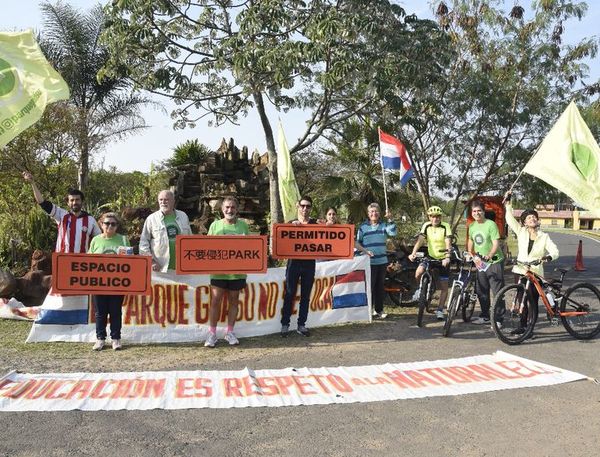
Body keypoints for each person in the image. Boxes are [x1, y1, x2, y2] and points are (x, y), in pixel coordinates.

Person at [504, 192, 559, 333]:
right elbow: (509, 219)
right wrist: (508, 204)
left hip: (535, 273)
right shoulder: (521, 231)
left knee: (532, 302)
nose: (532, 219)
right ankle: (522, 327)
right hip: (521, 270)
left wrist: (548, 258)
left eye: (534, 217)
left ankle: (530, 329)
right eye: (529, 218)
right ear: (524, 222)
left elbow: (555, 251)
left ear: (538, 221)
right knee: (522, 299)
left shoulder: (544, 236)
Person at [204, 197, 249, 348]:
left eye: (233, 207)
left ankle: (230, 332)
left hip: (237, 272)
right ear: (222, 209)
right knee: (215, 301)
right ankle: (212, 333)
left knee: (234, 301)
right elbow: (207, 248)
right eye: (227, 207)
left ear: (237, 209)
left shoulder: (243, 226)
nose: (230, 210)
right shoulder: (214, 225)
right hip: (218, 272)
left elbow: (250, 248)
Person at [22, 171, 101, 253]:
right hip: (62, 260)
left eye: (77, 200)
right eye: (72, 200)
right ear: (68, 202)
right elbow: (42, 203)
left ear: (82, 202)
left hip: (81, 263)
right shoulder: (61, 215)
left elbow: (100, 240)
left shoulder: (90, 220)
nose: (74, 202)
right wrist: (33, 183)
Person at [88, 212, 130, 351]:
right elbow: (88, 262)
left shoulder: (123, 240)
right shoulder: (95, 240)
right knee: (100, 312)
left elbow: (131, 262)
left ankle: (115, 338)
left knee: (115, 311)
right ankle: (100, 339)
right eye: (107, 223)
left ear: (117, 226)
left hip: (117, 284)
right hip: (99, 284)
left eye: (113, 223)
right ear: (101, 224)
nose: (110, 226)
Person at [281, 196, 317, 337]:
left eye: (308, 206)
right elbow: (280, 239)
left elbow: (332, 229)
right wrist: (290, 226)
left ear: (311, 208)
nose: (305, 209)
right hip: (293, 263)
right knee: (289, 294)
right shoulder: (291, 223)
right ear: (298, 206)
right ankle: (285, 325)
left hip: (309, 264)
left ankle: (301, 325)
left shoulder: (316, 224)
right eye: (303, 206)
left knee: (305, 296)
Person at [408, 206, 453, 320]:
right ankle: (419, 290)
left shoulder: (445, 226)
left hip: (443, 258)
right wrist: (413, 253)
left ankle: (440, 310)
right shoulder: (426, 225)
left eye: (437, 217)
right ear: (429, 217)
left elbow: (448, 242)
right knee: (418, 272)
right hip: (431, 256)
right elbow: (420, 240)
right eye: (432, 217)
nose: (435, 219)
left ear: (440, 217)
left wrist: (447, 257)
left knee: (444, 287)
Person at [355, 202, 397, 319]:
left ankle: (379, 310)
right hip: (369, 263)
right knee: (369, 287)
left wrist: (390, 220)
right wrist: (362, 254)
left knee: (379, 287)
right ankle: (368, 310)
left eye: (376, 211)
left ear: (379, 213)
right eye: (372, 212)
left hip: (382, 262)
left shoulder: (384, 225)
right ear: (368, 214)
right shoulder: (363, 227)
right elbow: (358, 243)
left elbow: (393, 232)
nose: (374, 213)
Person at [467, 199, 504, 324]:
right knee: (482, 290)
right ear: (472, 213)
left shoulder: (490, 224)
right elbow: (471, 241)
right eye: (474, 211)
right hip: (480, 262)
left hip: (494, 261)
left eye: (479, 211)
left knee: (497, 290)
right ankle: (484, 315)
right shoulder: (472, 226)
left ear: (483, 212)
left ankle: (499, 318)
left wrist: (490, 255)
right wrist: (470, 253)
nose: (477, 213)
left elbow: (495, 243)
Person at [139, 190, 192, 272]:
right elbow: (143, 243)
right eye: (161, 200)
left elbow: (190, 240)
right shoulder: (151, 219)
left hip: (182, 269)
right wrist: (151, 262)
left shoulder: (183, 216)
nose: (163, 202)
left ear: (173, 201)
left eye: (166, 199)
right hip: (160, 269)